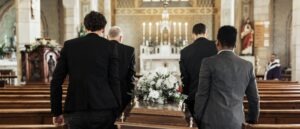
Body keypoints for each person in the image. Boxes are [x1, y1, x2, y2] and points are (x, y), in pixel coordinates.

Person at [50, 11, 121, 129]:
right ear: (103, 28)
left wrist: (56, 112)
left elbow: (56, 81)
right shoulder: (110, 46)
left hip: (76, 108)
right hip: (104, 108)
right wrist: (118, 109)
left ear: (85, 26)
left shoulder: (70, 46)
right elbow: (114, 80)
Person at [194, 26, 260, 129]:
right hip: (236, 123)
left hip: (211, 122)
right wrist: (251, 120)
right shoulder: (247, 66)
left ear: (217, 42)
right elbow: (254, 99)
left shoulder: (208, 63)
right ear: (235, 44)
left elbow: (202, 95)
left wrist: (197, 118)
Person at [179, 23, 218, 117]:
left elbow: (185, 78)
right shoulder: (216, 47)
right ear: (206, 33)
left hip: (194, 96)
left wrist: (186, 96)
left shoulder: (185, 51)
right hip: (214, 96)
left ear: (193, 34)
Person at [108, 26, 135, 115]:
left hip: (104, 93)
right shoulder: (130, 50)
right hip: (123, 92)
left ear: (108, 37)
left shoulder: (101, 48)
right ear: (121, 37)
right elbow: (131, 74)